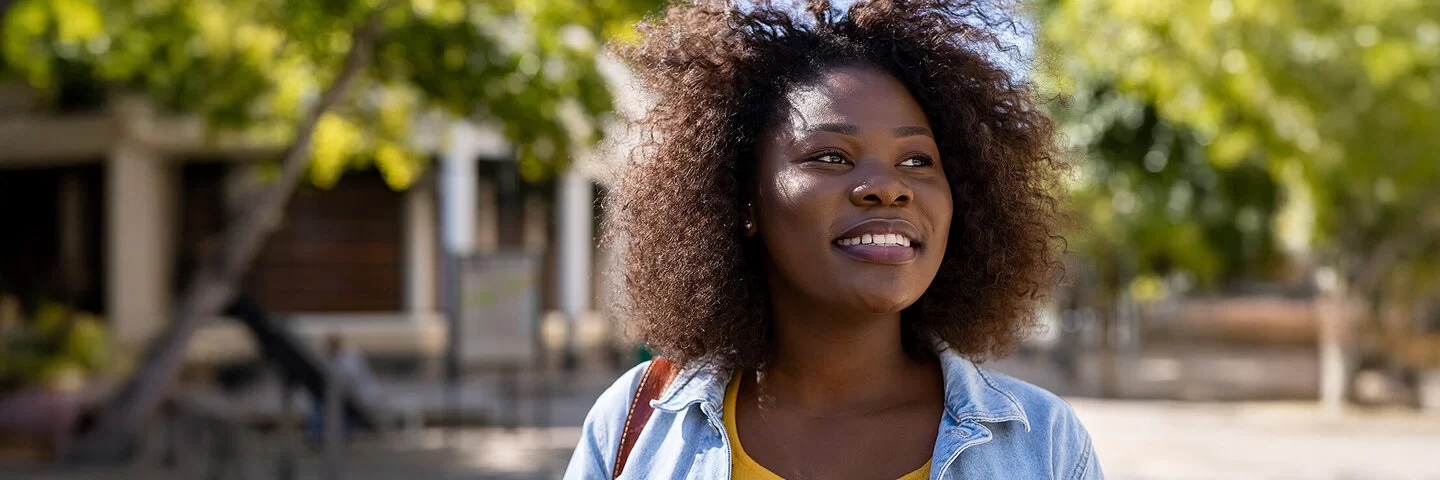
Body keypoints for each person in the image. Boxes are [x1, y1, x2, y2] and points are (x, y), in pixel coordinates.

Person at [567, 0, 1101, 478]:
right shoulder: (633, 427)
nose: (889, 188)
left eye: (917, 160)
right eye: (831, 157)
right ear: (744, 200)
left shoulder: (1044, 445)